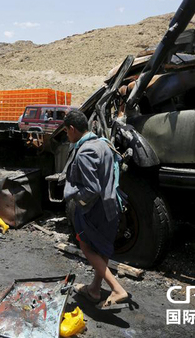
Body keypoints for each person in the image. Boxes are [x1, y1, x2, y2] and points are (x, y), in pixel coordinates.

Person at [63, 110, 130, 309]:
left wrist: (76, 198)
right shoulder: (103, 143)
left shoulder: (84, 152)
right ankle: (94, 289)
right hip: (112, 205)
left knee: (86, 246)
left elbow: (92, 189)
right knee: (102, 248)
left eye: (66, 132)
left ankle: (117, 289)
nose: (67, 136)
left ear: (73, 129)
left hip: (95, 209)